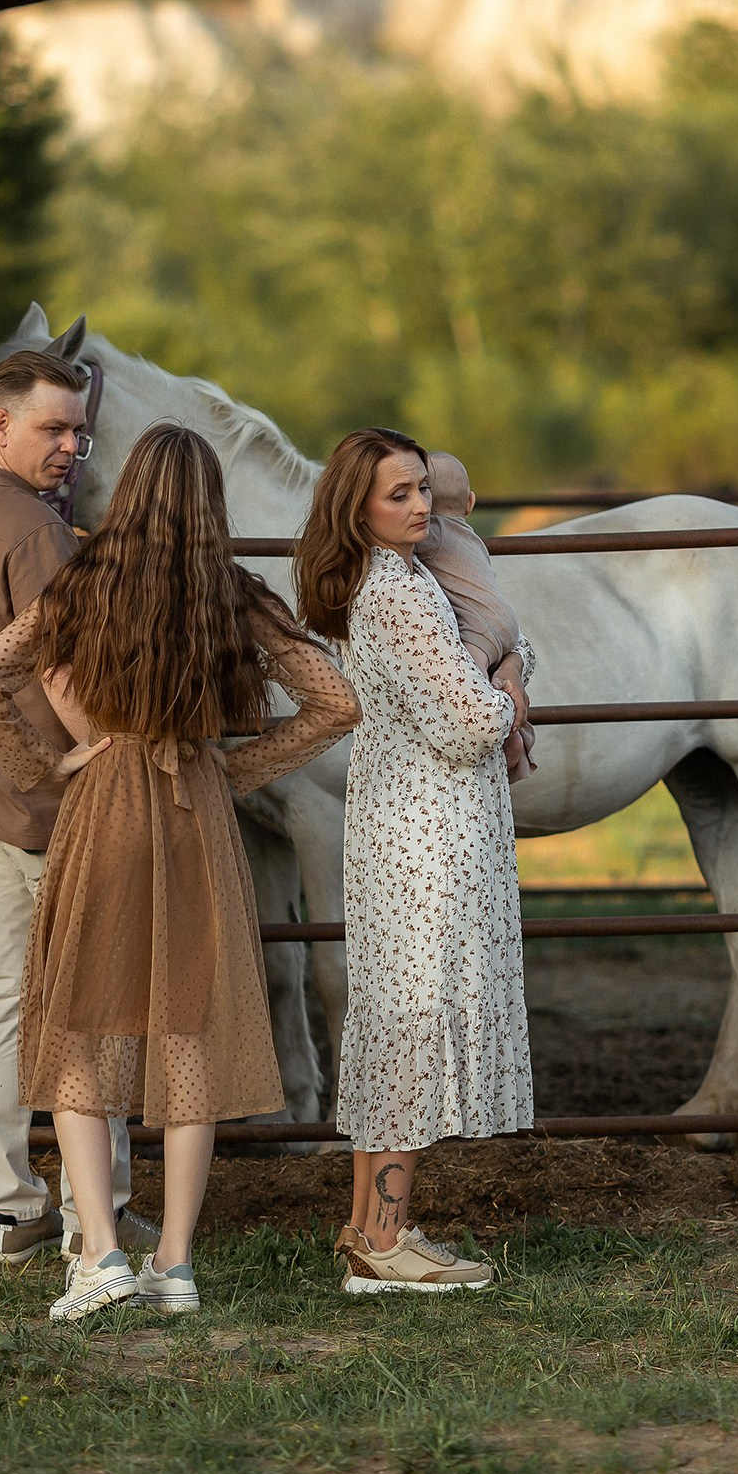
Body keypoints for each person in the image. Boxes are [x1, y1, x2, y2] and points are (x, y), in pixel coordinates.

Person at [0, 422, 359, 1320]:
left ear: (129, 493)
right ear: (211, 503)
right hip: (194, 815)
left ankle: (98, 1251)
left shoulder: (81, 584)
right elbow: (337, 702)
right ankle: (174, 1263)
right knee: (189, 1035)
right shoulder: (234, 593)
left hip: (102, 806)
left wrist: (45, 763)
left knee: (79, 1032)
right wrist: (235, 768)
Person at [0, 349, 157, 1268]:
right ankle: (102, 1214)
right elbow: (66, 673)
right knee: (94, 1007)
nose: (73, 448)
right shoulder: (35, 534)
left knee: (5, 997)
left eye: (82, 431)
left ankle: (12, 1208)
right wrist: (108, 755)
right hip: (51, 802)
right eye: (54, 428)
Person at [294, 428, 535, 1294]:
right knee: (412, 1026)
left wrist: (497, 668)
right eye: (398, 494)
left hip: (404, 823)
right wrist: (506, 681)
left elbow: (478, 673)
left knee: (394, 1022)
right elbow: (468, 721)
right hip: (428, 833)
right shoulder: (396, 592)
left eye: (423, 490)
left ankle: (370, 1227)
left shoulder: (397, 579)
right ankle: (384, 1240)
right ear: (354, 503)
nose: (422, 507)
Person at [416, 452, 536, 781]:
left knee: (473, 682)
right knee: (500, 684)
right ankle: (519, 735)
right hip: (504, 620)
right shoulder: (471, 536)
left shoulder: (433, 532)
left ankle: (509, 737)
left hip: (479, 627)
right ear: (470, 503)